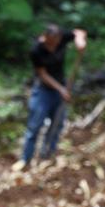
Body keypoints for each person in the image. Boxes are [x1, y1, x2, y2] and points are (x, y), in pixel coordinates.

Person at [21, 23, 87, 165]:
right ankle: (26, 160)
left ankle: (47, 156)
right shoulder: (36, 50)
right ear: (45, 38)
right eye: (51, 43)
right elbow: (42, 74)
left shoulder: (62, 38)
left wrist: (80, 42)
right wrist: (61, 89)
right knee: (35, 125)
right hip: (44, 89)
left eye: (56, 43)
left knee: (57, 123)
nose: (53, 46)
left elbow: (79, 32)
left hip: (60, 87)